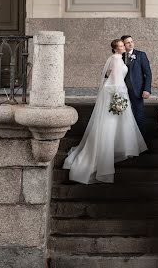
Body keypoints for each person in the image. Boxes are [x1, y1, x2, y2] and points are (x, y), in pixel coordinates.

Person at [63, 38, 147, 184]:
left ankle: (117, 147)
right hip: (116, 92)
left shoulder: (118, 58)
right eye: (120, 46)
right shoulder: (115, 58)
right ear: (115, 49)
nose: (123, 47)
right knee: (111, 121)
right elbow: (115, 79)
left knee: (118, 122)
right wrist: (118, 95)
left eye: (123, 45)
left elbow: (111, 74)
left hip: (119, 91)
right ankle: (106, 154)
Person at [121, 35, 152, 140]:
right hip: (122, 91)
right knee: (124, 117)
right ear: (123, 45)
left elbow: (148, 74)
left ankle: (142, 142)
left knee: (139, 116)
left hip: (137, 91)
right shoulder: (120, 56)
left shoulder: (141, 55)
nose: (130, 44)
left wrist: (147, 89)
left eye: (131, 41)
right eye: (127, 42)